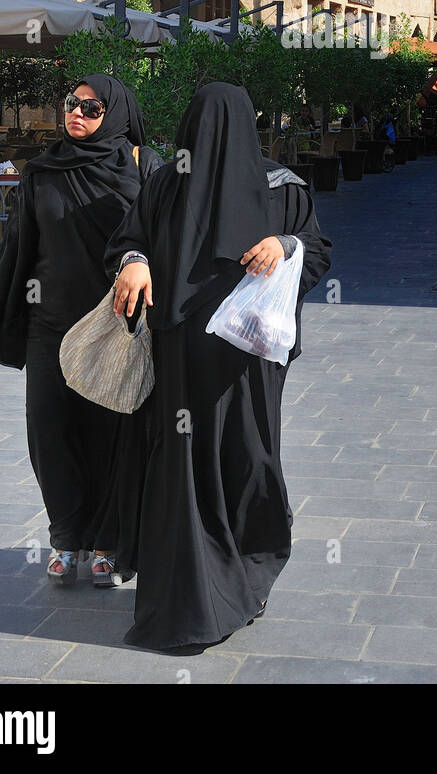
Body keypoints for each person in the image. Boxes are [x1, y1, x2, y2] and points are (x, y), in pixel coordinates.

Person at [104, 83, 332, 651]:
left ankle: (247, 574)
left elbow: (317, 251)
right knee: (185, 473)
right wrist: (133, 262)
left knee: (249, 459)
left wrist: (284, 245)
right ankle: (192, 602)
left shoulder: (283, 189)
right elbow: (127, 241)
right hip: (182, 361)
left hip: (250, 362)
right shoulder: (164, 186)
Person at [0, 75, 162, 586]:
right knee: (50, 433)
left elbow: (169, 239)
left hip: (116, 324)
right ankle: (66, 536)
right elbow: (18, 247)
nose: (75, 113)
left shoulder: (145, 169)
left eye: (91, 107)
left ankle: (108, 540)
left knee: (109, 434)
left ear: (115, 112)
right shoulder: (42, 172)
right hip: (49, 323)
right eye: (69, 104)